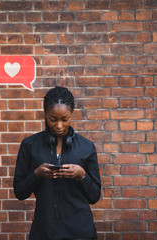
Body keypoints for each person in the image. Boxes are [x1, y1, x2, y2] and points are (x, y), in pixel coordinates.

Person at [13, 86, 101, 240]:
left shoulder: (86, 147)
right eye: (53, 119)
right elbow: (20, 192)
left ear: (71, 114)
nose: (59, 125)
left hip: (80, 231)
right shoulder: (30, 145)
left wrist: (81, 174)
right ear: (45, 115)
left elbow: (94, 196)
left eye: (65, 119)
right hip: (44, 230)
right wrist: (37, 174)